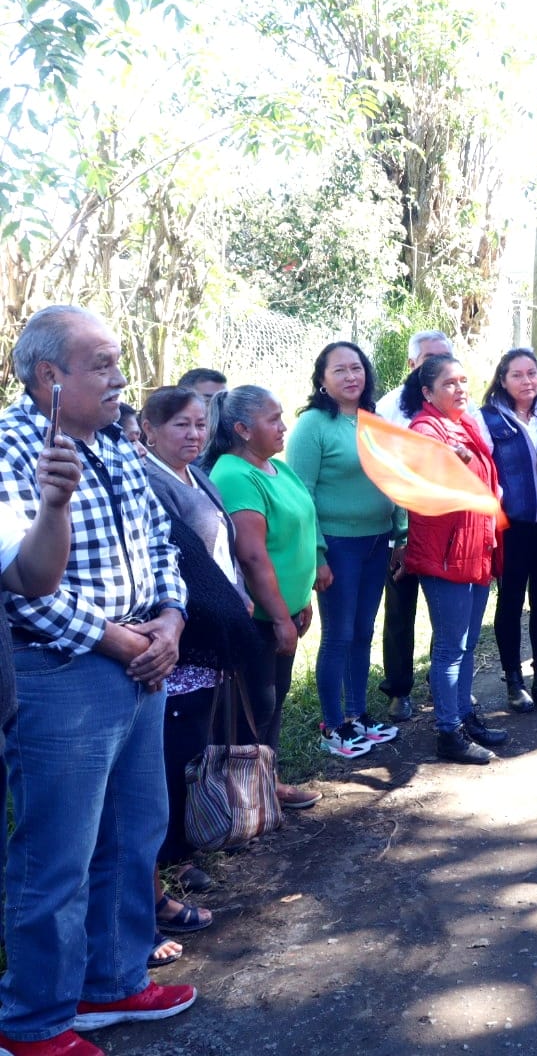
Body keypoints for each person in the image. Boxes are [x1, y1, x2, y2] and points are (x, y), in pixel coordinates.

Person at [0, 305, 197, 1054]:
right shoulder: (13, 448)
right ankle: (34, 1020)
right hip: (61, 674)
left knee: (133, 831)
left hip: (143, 663)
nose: (121, 379)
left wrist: (172, 622)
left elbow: (160, 543)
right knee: (58, 853)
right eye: (103, 365)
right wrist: (121, 642)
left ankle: (112, 981)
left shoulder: (114, 444)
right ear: (50, 376)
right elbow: (24, 582)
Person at [141, 386, 266, 963]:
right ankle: (167, 859)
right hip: (179, 635)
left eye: (199, 425)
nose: (193, 435)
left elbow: (224, 553)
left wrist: (237, 599)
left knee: (195, 745)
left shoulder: (201, 477)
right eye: (180, 426)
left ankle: (187, 843)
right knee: (171, 752)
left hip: (215, 625)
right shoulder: (150, 480)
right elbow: (175, 558)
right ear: (149, 428)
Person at [286, 341, 404, 758]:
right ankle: (332, 725)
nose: (351, 377)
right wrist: (316, 555)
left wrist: (400, 533)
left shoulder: (374, 421)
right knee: (339, 634)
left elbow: (394, 479)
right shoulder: (313, 426)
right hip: (337, 545)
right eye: (339, 370)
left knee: (364, 631)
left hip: (376, 542)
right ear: (322, 379)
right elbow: (302, 497)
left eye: (357, 368)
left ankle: (357, 716)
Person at [206, 386, 322, 810]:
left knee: (272, 701)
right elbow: (253, 557)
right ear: (241, 429)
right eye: (272, 419)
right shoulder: (235, 475)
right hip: (258, 618)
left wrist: (300, 599)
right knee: (256, 705)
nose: (283, 426)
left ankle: (265, 784)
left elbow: (295, 533)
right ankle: (244, 798)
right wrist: (280, 617)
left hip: (285, 610)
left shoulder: (277, 468)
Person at [399, 353, 507, 764]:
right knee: (450, 647)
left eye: (464, 381)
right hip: (446, 556)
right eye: (449, 383)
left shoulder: (463, 423)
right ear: (427, 392)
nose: (460, 389)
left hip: (474, 548)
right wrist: (448, 460)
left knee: (465, 644)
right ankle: (449, 732)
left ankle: (464, 716)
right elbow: (423, 465)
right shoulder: (425, 428)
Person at [481, 348, 537, 713]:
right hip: (512, 528)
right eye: (517, 375)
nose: (526, 381)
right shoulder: (487, 419)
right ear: (503, 380)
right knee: (511, 600)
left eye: (532, 373)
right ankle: (514, 681)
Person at [377, 329, 455, 722]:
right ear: (412, 365)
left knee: (448, 613)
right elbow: (386, 475)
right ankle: (399, 689)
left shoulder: (460, 403)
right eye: (428, 358)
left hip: (451, 530)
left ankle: (448, 686)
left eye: (444, 356)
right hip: (406, 528)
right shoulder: (391, 408)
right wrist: (400, 535)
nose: (437, 363)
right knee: (400, 611)